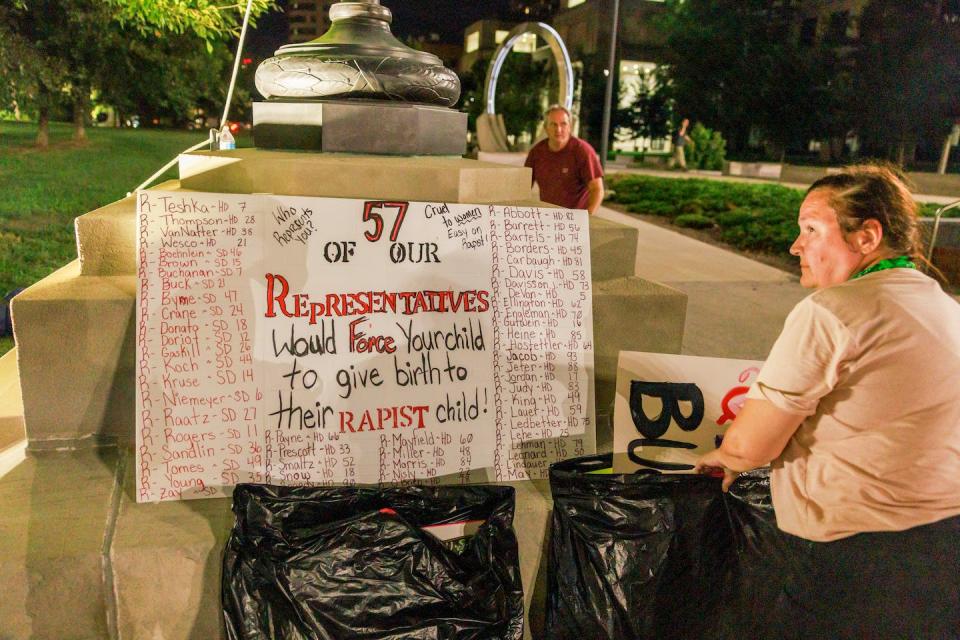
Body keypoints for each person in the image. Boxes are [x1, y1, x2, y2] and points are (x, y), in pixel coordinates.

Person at [694, 164, 960, 638]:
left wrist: (720, 457)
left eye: (812, 230)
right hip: (944, 549)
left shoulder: (831, 312)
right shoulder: (941, 304)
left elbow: (749, 447)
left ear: (867, 236)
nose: (797, 246)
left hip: (851, 559)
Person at [524, 105, 604, 215]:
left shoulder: (583, 151)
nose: (559, 129)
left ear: (570, 126)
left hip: (575, 221)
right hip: (548, 218)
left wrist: (587, 219)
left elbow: (597, 189)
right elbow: (524, 186)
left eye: (563, 124)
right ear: (545, 127)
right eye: (553, 124)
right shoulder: (536, 152)